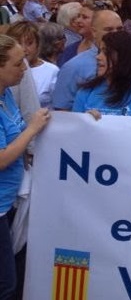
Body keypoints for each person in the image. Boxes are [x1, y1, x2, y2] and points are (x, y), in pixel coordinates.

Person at [0, 34, 50, 299]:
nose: (25, 69)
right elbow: (2, 158)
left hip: (7, 202)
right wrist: (31, 130)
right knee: (6, 284)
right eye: (18, 63)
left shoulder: (6, 94)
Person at [72, 31, 131, 118]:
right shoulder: (86, 92)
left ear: (124, 57)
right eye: (99, 51)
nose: (98, 57)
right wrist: (84, 122)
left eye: (106, 52)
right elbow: (74, 132)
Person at [52, 9, 123, 111]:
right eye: (109, 30)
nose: (116, 34)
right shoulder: (74, 67)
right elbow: (62, 109)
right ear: (94, 32)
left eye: (120, 29)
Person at [6, 21, 60, 109]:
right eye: (18, 43)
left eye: (29, 43)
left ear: (38, 44)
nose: (23, 49)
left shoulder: (52, 71)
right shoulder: (6, 70)